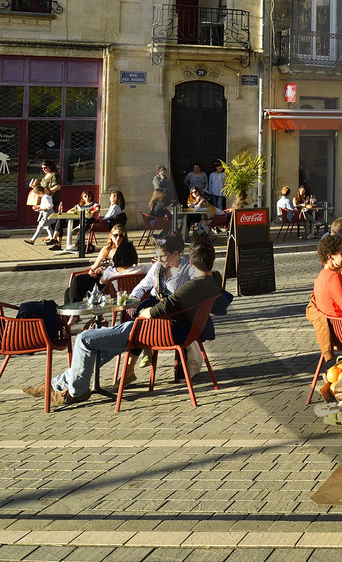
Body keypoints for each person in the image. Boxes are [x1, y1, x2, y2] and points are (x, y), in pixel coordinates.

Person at [27, 232, 223, 408]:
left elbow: (171, 302)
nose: (160, 258)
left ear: (179, 254)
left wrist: (148, 312)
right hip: (154, 328)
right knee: (100, 350)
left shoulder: (191, 279)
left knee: (84, 338)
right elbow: (148, 288)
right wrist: (138, 303)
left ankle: (76, 392)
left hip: (154, 329)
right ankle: (56, 384)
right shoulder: (206, 280)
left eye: (164, 255)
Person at [67, 223, 139, 302]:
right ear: (111, 236)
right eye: (115, 235)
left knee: (76, 287)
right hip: (99, 278)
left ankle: (74, 311)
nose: (118, 238)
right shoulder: (106, 250)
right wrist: (92, 271)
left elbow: (127, 268)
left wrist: (104, 271)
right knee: (72, 286)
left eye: (121, 235)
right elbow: (94, 266)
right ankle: (72, 312)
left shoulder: (125, 250)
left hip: (112, 280)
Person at [24, 161, 61, 247]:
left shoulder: (54, 175)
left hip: (51, 198)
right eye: (42, 168)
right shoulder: (46, 176)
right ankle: (52, 238)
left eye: (45, 168)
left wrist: (46, 192)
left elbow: (58, 186)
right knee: (47, 225)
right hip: (44, 199)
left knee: (43, 224)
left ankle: (34, 239)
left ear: (50, 167)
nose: (43, 170)